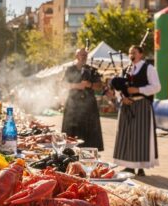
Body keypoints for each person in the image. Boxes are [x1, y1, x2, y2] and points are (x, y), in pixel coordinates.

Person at [111, 45, 161, 176]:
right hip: (127, 105)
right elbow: (117, 89)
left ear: (141, 54)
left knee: (141, 136)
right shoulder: (125, 69)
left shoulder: (148, 68)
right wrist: (122, 98)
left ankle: (140, 167)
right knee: (126, 135)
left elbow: (156, 87)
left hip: (142, 105)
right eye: (129, 52)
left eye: (134, 52)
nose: (131, 55)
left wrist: (139, 90)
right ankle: (129, 165)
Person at [62, 48, 104, 150]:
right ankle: (71, 153)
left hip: (89, 105)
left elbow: (100, 85)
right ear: (77, 56)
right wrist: (77, 86)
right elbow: (63, 84)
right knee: (72, 132)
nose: (84, 57)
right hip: (73, 104)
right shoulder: (69, 69)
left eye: (85, 55)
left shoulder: (92, 70)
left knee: (90, 133)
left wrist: (90, 84)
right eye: (82, 55)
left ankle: (89, 155)